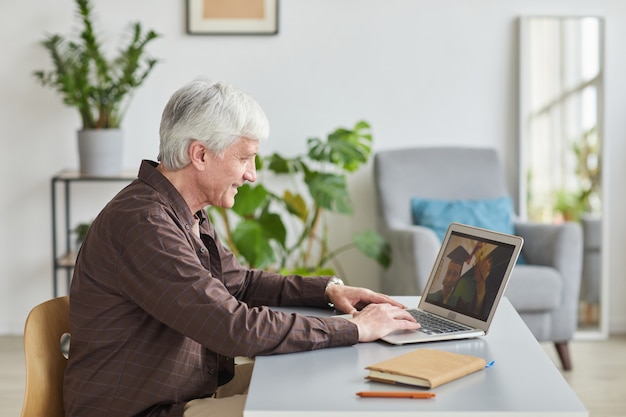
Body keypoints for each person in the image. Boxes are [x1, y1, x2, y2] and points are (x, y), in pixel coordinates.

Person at [63, 78, 421, 417]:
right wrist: (354, 329)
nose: (252, 174)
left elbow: (240, 284)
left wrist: (328, 291)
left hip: (187, 388)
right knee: (314, 403)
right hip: (146, 408)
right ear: (200, 154)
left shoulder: (184, 212)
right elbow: (232, 327)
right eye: (244, 157)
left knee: (332, 376)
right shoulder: (144, 224)